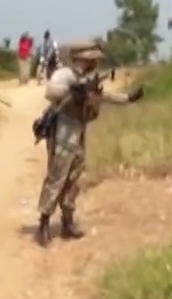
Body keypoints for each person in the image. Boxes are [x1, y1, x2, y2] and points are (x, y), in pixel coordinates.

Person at [33, 39, 143, 245]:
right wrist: (71, 91)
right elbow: (51, 92)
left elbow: (102, 96)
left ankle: (67, 222)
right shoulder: (65, 75)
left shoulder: (87, 78)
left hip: (78, 131)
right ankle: (44, 224)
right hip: (63, 131)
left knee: (73, 179)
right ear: (82, 59)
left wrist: (127, 99)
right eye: (92, 59)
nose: (95, 63)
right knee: (57, 177)